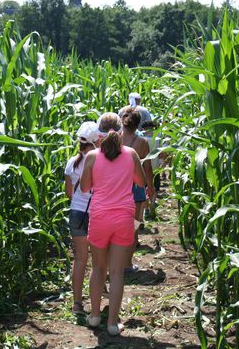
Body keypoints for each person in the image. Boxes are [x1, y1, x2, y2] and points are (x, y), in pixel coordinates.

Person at [80, 113, 147, 336]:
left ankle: (95, 315)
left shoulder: (91, 157)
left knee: (98, 268)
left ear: (98, 133)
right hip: (123, 219)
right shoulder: (131, 154)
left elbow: (84, 188)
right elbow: (141, 182)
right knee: (117, 272)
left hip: (99, 218)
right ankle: (112, 324)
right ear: (121, 131)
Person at [64, 121, 100, 314]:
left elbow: (69, 193)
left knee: (79, 259)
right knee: (97, 261)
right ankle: (97, 302)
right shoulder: (97, 160)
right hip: (95, 214)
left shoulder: (72, 162)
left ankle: (77, 303)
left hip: (76, 213)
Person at [119, 107, 154, 272]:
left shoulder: (114, 139)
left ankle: (115, 260)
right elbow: (147, 169)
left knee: (118, 225)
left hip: (118, 188)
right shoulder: (142, 143)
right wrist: (151, 188)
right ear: (138, 124)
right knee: (133, 227)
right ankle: (126, 263)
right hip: (136, 189)